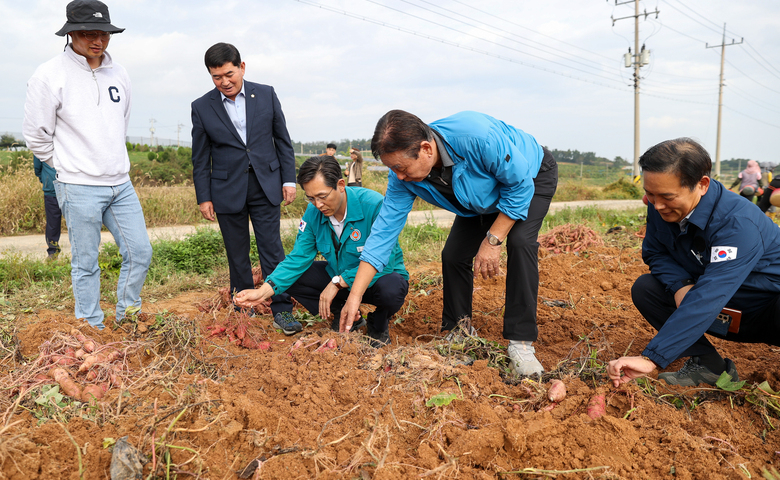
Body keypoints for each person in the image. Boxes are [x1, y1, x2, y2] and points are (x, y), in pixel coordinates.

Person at [338, 110, 557, 376]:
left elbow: (519, 185)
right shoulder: (402, 179)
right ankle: (459, 331)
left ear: (426, 149)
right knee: (453, 254)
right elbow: (383, 234)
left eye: (401, 168)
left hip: (530, 177)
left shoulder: (478, 137)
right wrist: (355, 295)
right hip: (479, 198)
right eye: (392, 169)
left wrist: (493, 240)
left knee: (521, 243)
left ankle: (521, 344)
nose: (399, 176)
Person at [608, 138, 780, 388]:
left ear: (702, 184)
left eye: (667, 196)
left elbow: (712, 292)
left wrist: (652, 358)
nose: (657, 205)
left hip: (764, 312)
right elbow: (655, 253)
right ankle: (709, 365)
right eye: (650, 194)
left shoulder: (738, 223)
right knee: (647, 288)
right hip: (722, 311)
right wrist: (680, 285)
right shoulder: (660, 206)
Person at [23, 0, 152, 329]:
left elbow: (118, 122)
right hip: (77, 185)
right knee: (86, 262)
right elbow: (36, 136)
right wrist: (67, 165)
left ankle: (126, 316)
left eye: (105, 33)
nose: (98, 41)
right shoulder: (49, 75)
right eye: (89, 33)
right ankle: (91, 326)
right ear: (71, 34)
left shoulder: (118, 73)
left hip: (120, 184)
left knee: (140, 252)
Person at [234, 156, 409, 346]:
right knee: (294, 276)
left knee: (392, 287)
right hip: (341, 278)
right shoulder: (313, 213)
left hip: (378, 279)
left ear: (340, 185)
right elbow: (297, 259)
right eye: (311, 198)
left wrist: (337, 282)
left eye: (323, 196)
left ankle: (379, 323)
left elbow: (385, 261)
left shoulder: (373, 206)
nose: (318, 205)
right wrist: (262, 292)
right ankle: (345, 314)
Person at [191, 42, 302, 335]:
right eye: (217, 77)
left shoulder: (265, 94)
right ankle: (243, 311)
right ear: (210, 76)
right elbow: (200, 158)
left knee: (272, 250)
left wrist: (288, 179)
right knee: (236, 254)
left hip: (267, 185)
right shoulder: (202, 107)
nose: (224, 82)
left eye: (229, 74)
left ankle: (282, 310)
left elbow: (283, 140)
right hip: (226, 190)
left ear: (242, 67)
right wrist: (204, 197)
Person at [33, 155, 62, 260]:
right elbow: (37, 168)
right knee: (53, 222)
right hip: (52, 189)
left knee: (53, 223)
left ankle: (53, 252)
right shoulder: (42, 145)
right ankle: (53, 252)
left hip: (70, 188)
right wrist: (45, 180)